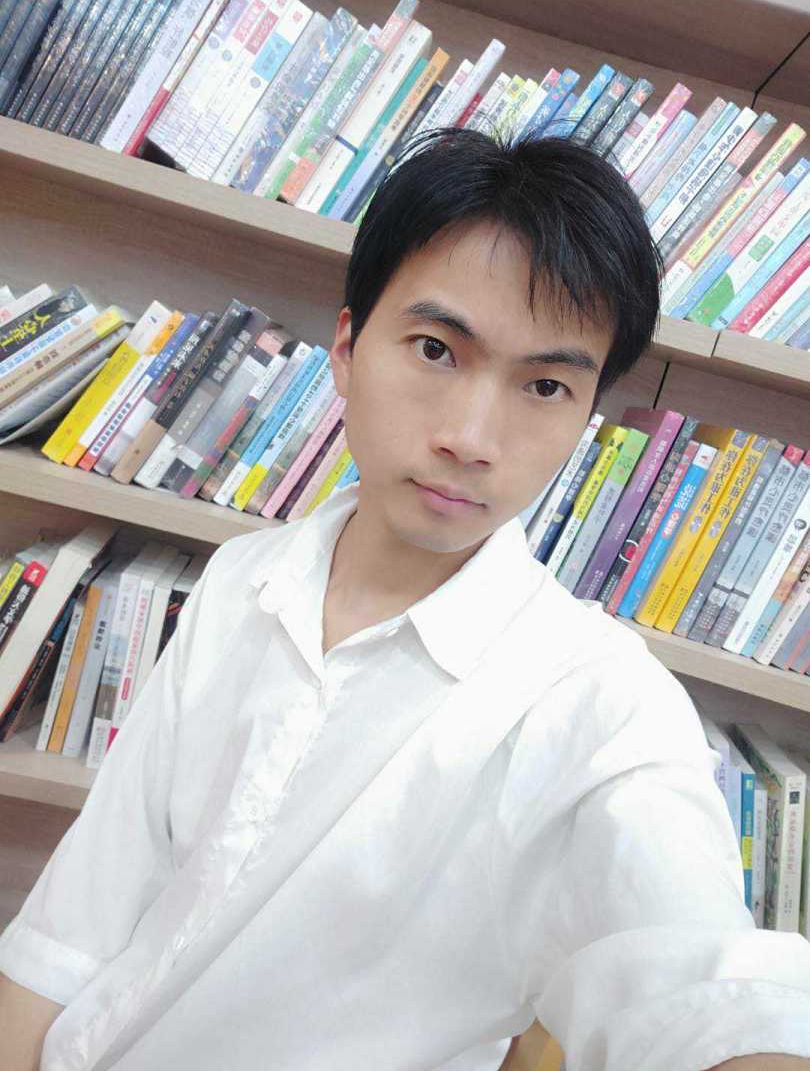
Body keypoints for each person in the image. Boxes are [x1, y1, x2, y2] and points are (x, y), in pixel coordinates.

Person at [1, 127, 809, 1071]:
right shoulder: (240, 580)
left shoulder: (601, 709)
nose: (472, 437)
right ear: (347, 348)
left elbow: (702, 990)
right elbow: (71, 931)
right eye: (435, 349)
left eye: (546, 385)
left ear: (586, 417)